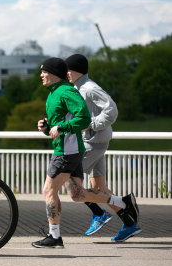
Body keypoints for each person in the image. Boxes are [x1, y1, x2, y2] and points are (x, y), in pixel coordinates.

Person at [32, 57, 139, 248]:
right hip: (78, 144)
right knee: (78, 194)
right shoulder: (57, 92)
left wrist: (84, 128)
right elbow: (66, 118)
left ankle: (56, 235)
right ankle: (123, 207)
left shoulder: (82, 89)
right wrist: (48, 126)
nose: (41, 75)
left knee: (50, 190)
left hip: (83, 144)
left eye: (44, 72)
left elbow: (101, 113)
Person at [66, 54, 142, 242]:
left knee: (68, 178)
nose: (66, 73)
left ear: (76, 70)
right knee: (98, 188)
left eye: (67, 70)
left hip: (94, 141)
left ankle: (99, 213)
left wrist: (91, 124)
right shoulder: (78, 88)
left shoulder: (90, 88)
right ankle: (130, 223)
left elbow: (111, 109)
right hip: (94, 141)